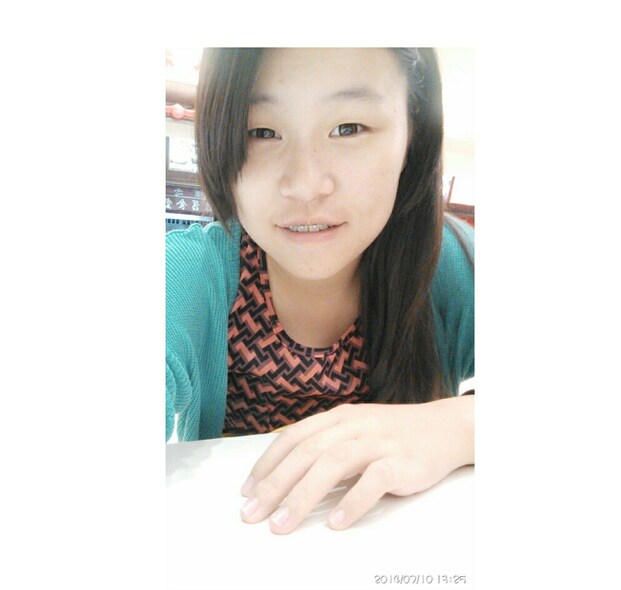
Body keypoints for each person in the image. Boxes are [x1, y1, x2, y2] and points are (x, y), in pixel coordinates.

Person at [166, 47, 474, 535]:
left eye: (348, 128)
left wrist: (457, 427)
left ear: (412, 135)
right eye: (260, 131)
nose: (306, 185)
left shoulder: (450, 265)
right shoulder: (189, 272)